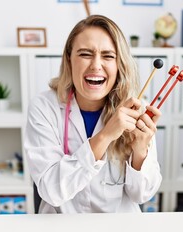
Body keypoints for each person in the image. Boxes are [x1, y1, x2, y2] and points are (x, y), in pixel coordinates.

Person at [24, 14, 162, 214]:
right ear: (69, 60)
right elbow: (50, 190)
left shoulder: (136, 111)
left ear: (119, 65)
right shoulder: (44, 107)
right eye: (85, 54)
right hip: (63, 228)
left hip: (119, 229)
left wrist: (140, 149)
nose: (96, 65)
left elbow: (142, 195)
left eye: (108, 56)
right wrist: (106, 135)